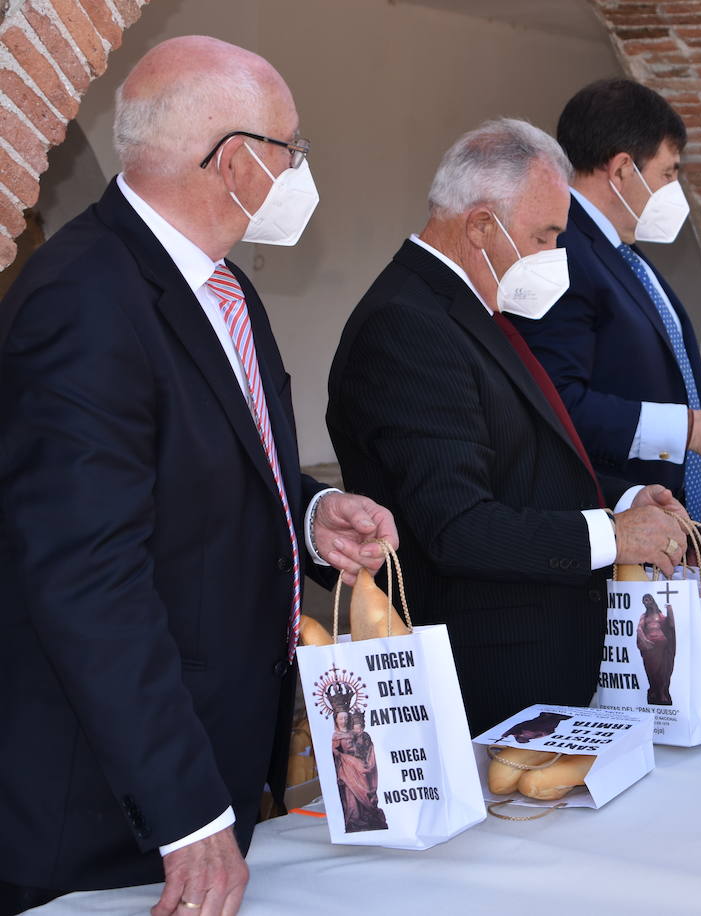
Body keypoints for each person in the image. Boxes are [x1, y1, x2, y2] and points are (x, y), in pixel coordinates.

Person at [0, 37, 397, 916]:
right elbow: (88, 576)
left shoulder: (224, 289)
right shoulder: (82, 298)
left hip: (212, 758)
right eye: (293, 148)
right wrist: (184, 809)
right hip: (106, 812)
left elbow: (211, 465)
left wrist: (313, 511)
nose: (300, 170)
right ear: (238, 160)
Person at [327, 119, 688, 735]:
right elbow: (457, 526)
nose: (554, 256)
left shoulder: (471, 305)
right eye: (544, 236)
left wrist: (623, 498)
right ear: (481, 227)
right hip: (488, 677)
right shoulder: (408, 324)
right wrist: (611, 535)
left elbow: (521, 461)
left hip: (539, 662)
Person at [511, 78, 701, 523]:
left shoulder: (622, 251)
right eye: (668, 173)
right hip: (610, 517)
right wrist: (689, 428)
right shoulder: (561, 250)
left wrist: (691, 400)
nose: (675, 188)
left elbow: (621, 366)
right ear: (621, 170)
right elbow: (556, 402)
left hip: (661, 519)